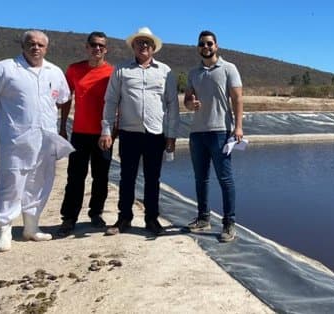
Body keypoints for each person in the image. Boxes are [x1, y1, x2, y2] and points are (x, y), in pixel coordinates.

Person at [0, 30, 73, 252]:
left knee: (40, 181)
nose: (35, 47)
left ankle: (31, 227)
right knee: (11, 182)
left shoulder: (54, 72)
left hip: (45, 139)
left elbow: (63, 99)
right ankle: (4, 230)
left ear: (46, 48)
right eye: (31, 43)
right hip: (15, 139)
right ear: (23, 45)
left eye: (40, 45)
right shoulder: (4, 68)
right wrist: (2, 113)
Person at [99, 27, 179, 236]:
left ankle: (152, 220)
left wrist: (171, 136)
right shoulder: (121, 70)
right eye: (140, 42)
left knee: (153, 179)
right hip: (129, 133)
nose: (144, 45)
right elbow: (110, 101)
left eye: (147, 43)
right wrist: (106, 130)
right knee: (127, 177)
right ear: (133, 46)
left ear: (153, 48)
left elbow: (172, 105)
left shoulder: (165, 71)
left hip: (155, 134)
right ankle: (124, 218)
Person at [184, 30, 244, 243]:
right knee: (201, 179)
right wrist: (190, 104)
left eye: (209, 43)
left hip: (220, 132)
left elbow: (237, 99)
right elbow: (187, 100)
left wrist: (238, 127)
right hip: (197, 134)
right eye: (202, 44)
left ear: (216, 46)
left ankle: (229, 223)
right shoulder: (193, 73)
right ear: (198, 47)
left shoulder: (229, 69)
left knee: (225, 179)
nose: (206, 47)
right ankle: (203, 218)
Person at [56, 31, 115, 237]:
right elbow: (65, 99)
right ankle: (69, 218)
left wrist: (113, 132)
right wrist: (63, 126)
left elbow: (118, 103)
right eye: (93, 45)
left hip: (103, 134)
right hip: (79, 133)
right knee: (75, 177)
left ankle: (96, 213)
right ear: (87, 47)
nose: (97, 48)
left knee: (101, 177)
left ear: (106, 49)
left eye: (101, 45)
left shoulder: (112, 72)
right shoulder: (74, 70)